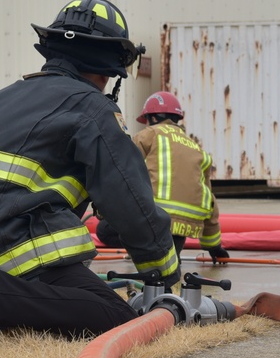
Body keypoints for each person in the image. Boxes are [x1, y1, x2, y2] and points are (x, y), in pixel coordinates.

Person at [0, 0, 180, 349]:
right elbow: (131, 202)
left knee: (64, 303)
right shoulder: (91, 108)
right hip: (7, 247)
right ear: (110, 66)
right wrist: (165, 276)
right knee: (117, 319)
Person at [95, 91, 229, 263]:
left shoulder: (149, 134)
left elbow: (121, 169)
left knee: (104, 231)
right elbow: (209, 200)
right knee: (169, 261)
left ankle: (144, 253)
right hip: (183, 227)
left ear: (152, 118)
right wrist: (214, 247)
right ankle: (168, 259)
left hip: (153, 219)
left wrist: (105, 207)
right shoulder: (197, 149)